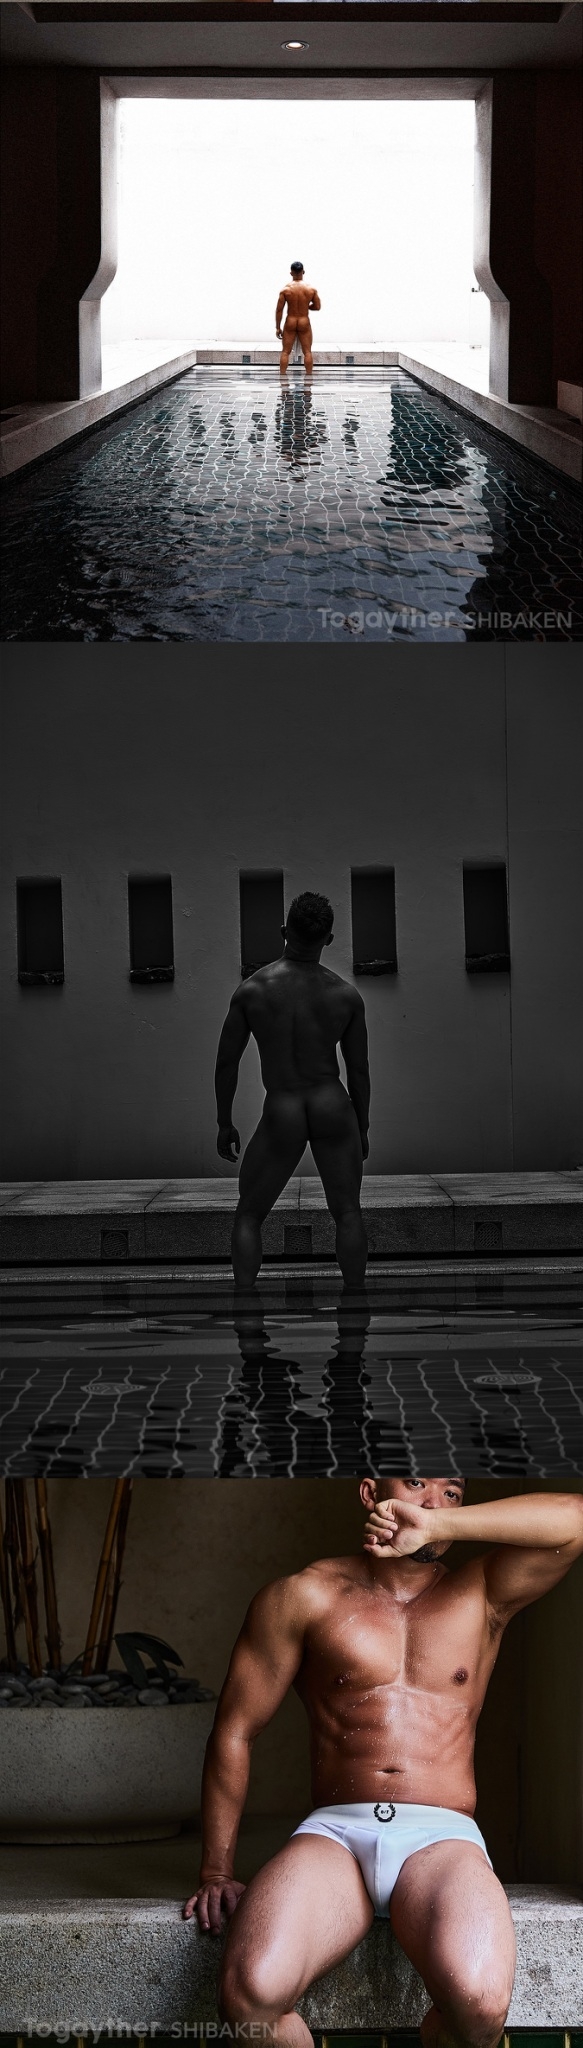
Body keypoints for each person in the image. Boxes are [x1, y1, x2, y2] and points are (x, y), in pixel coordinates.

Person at [184, 1479, 583, 2048]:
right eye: (417, 1483)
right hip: (335, 1836)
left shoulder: (482, 1594)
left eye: (452, 1492)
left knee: (479, 2005)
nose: (434, 1501)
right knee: (249, 1995)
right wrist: (216, 1871)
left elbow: (574, 1518)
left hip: (441, 1838)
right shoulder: (304, 1595)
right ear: (371, 1492)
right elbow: (235, 1731)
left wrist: (437, 1526)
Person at [214, 891, 370, 1290]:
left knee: (249, 1215)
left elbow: (227, 1062)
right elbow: (358, 1070)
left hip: (283, 1106)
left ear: (285, 931)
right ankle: (356, 1314)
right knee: (348, 1213)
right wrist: (362, 1126)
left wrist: (224, 1122)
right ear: (328, 939)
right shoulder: (345, 995)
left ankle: (246, 1314)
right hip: (331, 1103)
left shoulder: (253, 991)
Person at [276, 262, 321, 374]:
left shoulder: (285, 290)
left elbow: (279, 310)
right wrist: (306, 306)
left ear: (291, 273)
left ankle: (282, 376)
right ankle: (309, 378)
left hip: (290, 321)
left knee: (285, 352)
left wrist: (278, 327)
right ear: (303, 272)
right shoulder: (311, 289)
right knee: (307, 352)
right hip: (303, 321)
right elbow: (317, 306)